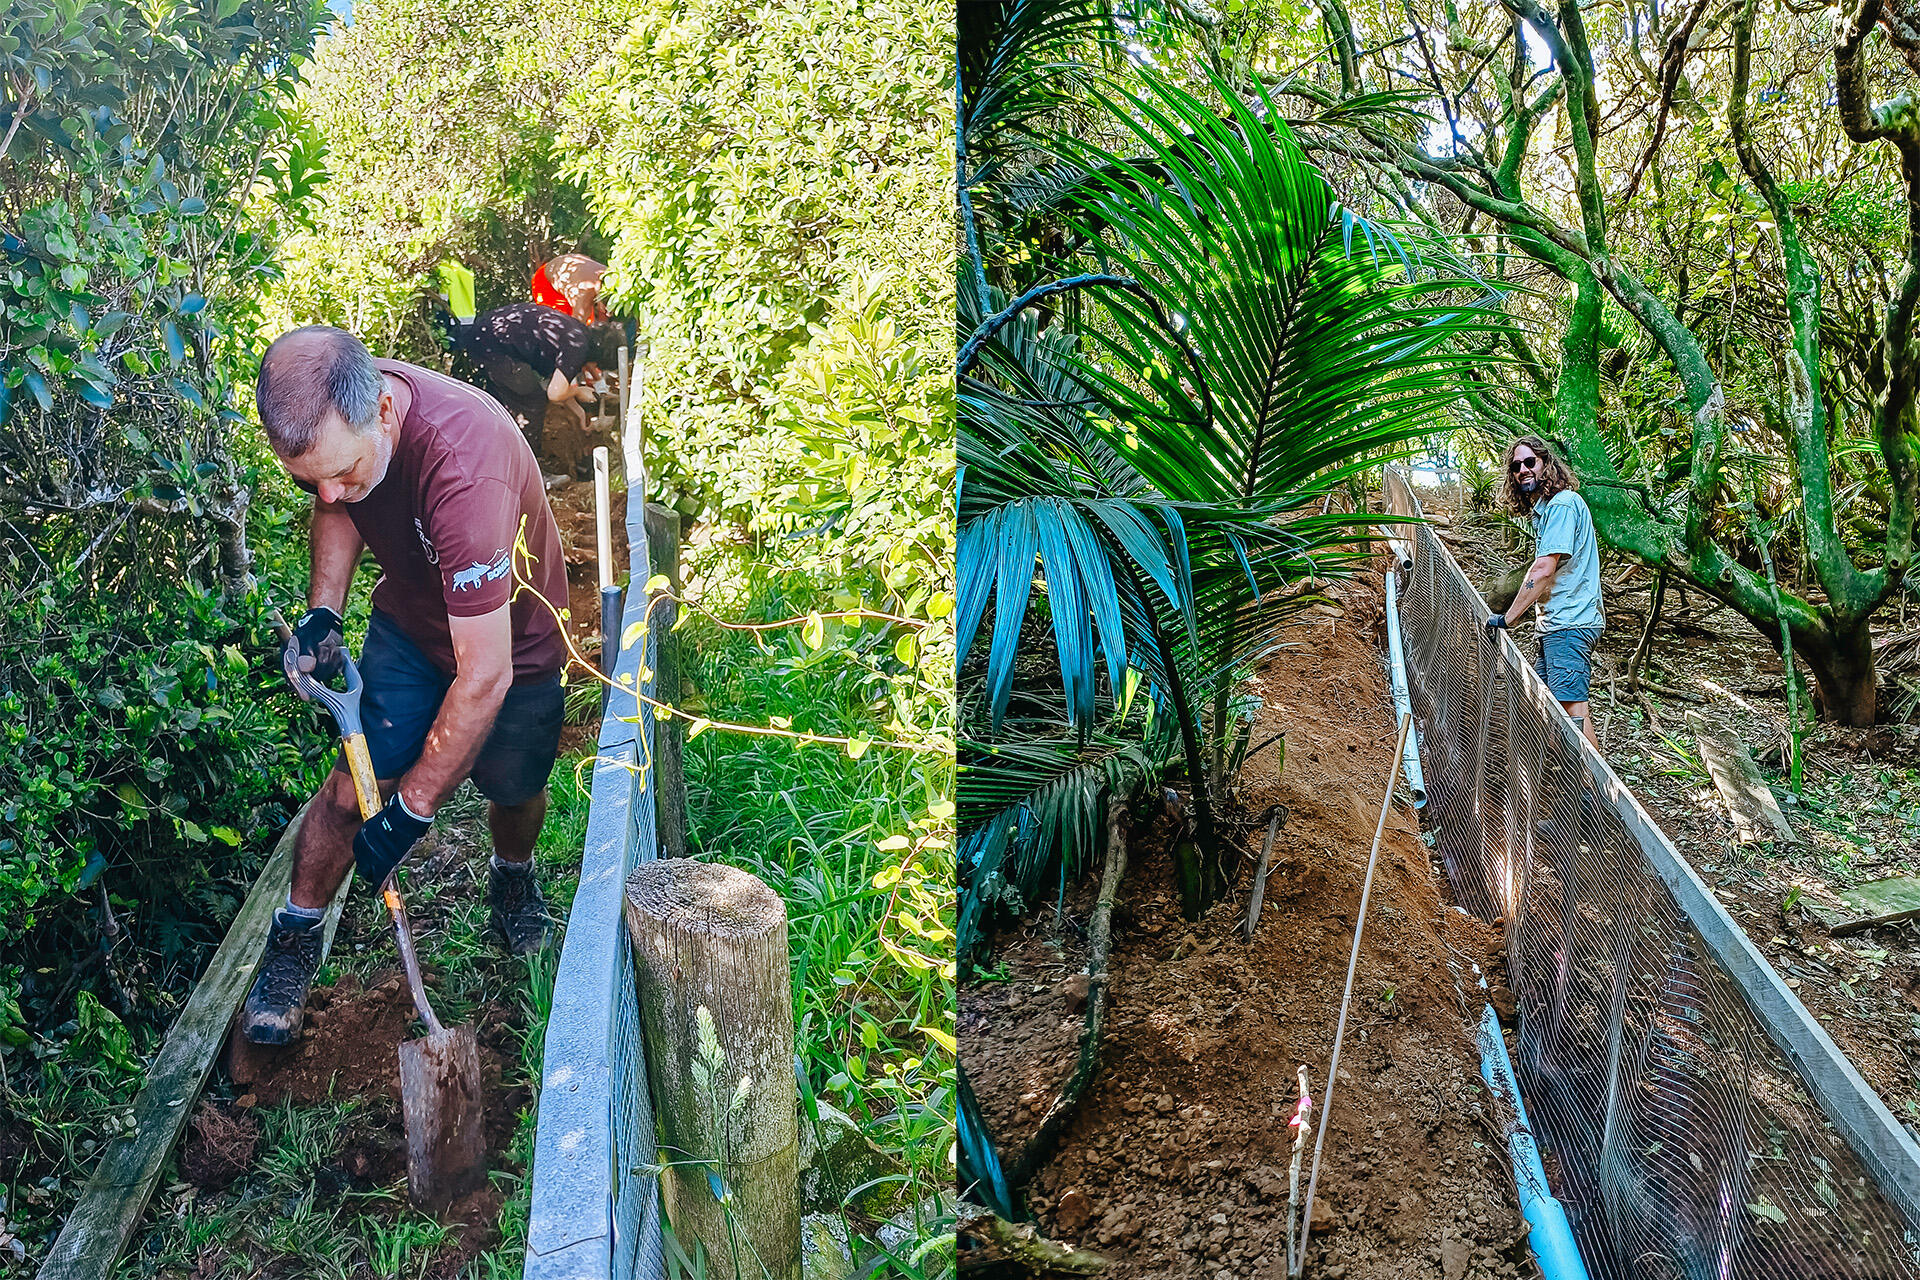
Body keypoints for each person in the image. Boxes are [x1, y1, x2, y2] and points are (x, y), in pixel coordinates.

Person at [241, 326, 569, 1045]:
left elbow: (484, 676)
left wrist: (414, 810)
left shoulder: (466, 467)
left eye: (345, 471)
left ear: (385, 415)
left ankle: (512, 875)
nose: (328, 492)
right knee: (347, 790)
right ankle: (294, 937)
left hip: (515, 643)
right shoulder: (340, 417)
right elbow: (334, 506)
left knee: (515, 786)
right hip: (413, 626)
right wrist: (324, 609)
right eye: (309, 478)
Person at [1484, 435, 1606, 750]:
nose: (1522, 469)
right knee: (1548, 706)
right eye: (1515, 466)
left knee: (1571, 711)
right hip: (1556, 626)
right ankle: (1569, 783)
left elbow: (1542, 570)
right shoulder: (1549, 509)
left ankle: (1593, 792)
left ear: (1545, 464)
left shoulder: (1563, 504)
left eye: (1529, 462)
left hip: (1570, 624)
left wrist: (1506, 619)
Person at [454, 301, 621, 454]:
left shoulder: (579, 333)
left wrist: (580, 414)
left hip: (487, 335)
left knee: (503, 403)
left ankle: (495, 454)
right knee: (531, 401)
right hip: (492, 345)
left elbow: (560, 386)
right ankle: (529, 468)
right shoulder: (577, 348)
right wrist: (578, 392)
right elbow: (555, 393)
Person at [531, 253, 607, 323]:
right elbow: (576, 328)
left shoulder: (611, 276)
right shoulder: (584, 292)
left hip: (571, 270)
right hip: (545, 281)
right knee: (561, 326)